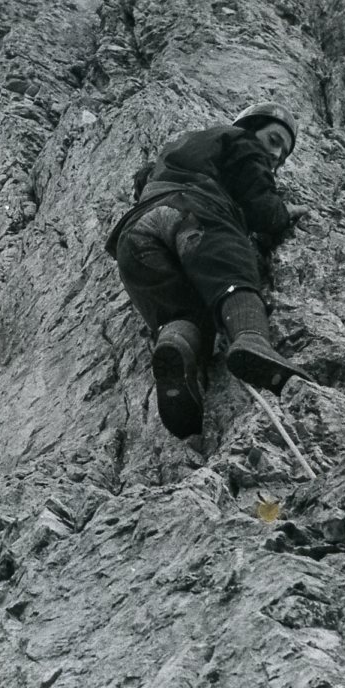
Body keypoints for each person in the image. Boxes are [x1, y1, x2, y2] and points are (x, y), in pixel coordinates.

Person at [106, 103, 305, 438]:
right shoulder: (239, 141)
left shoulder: (176, 152)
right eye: (272, 140)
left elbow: (142, 181)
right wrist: (282, 214)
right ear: (250, 127)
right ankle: (251, 340)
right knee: (232, 271)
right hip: (196, 213)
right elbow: (259, 204)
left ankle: (176, 347)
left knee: (182, 312)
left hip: (136, 234)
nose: (275, 154)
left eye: (282, 153)